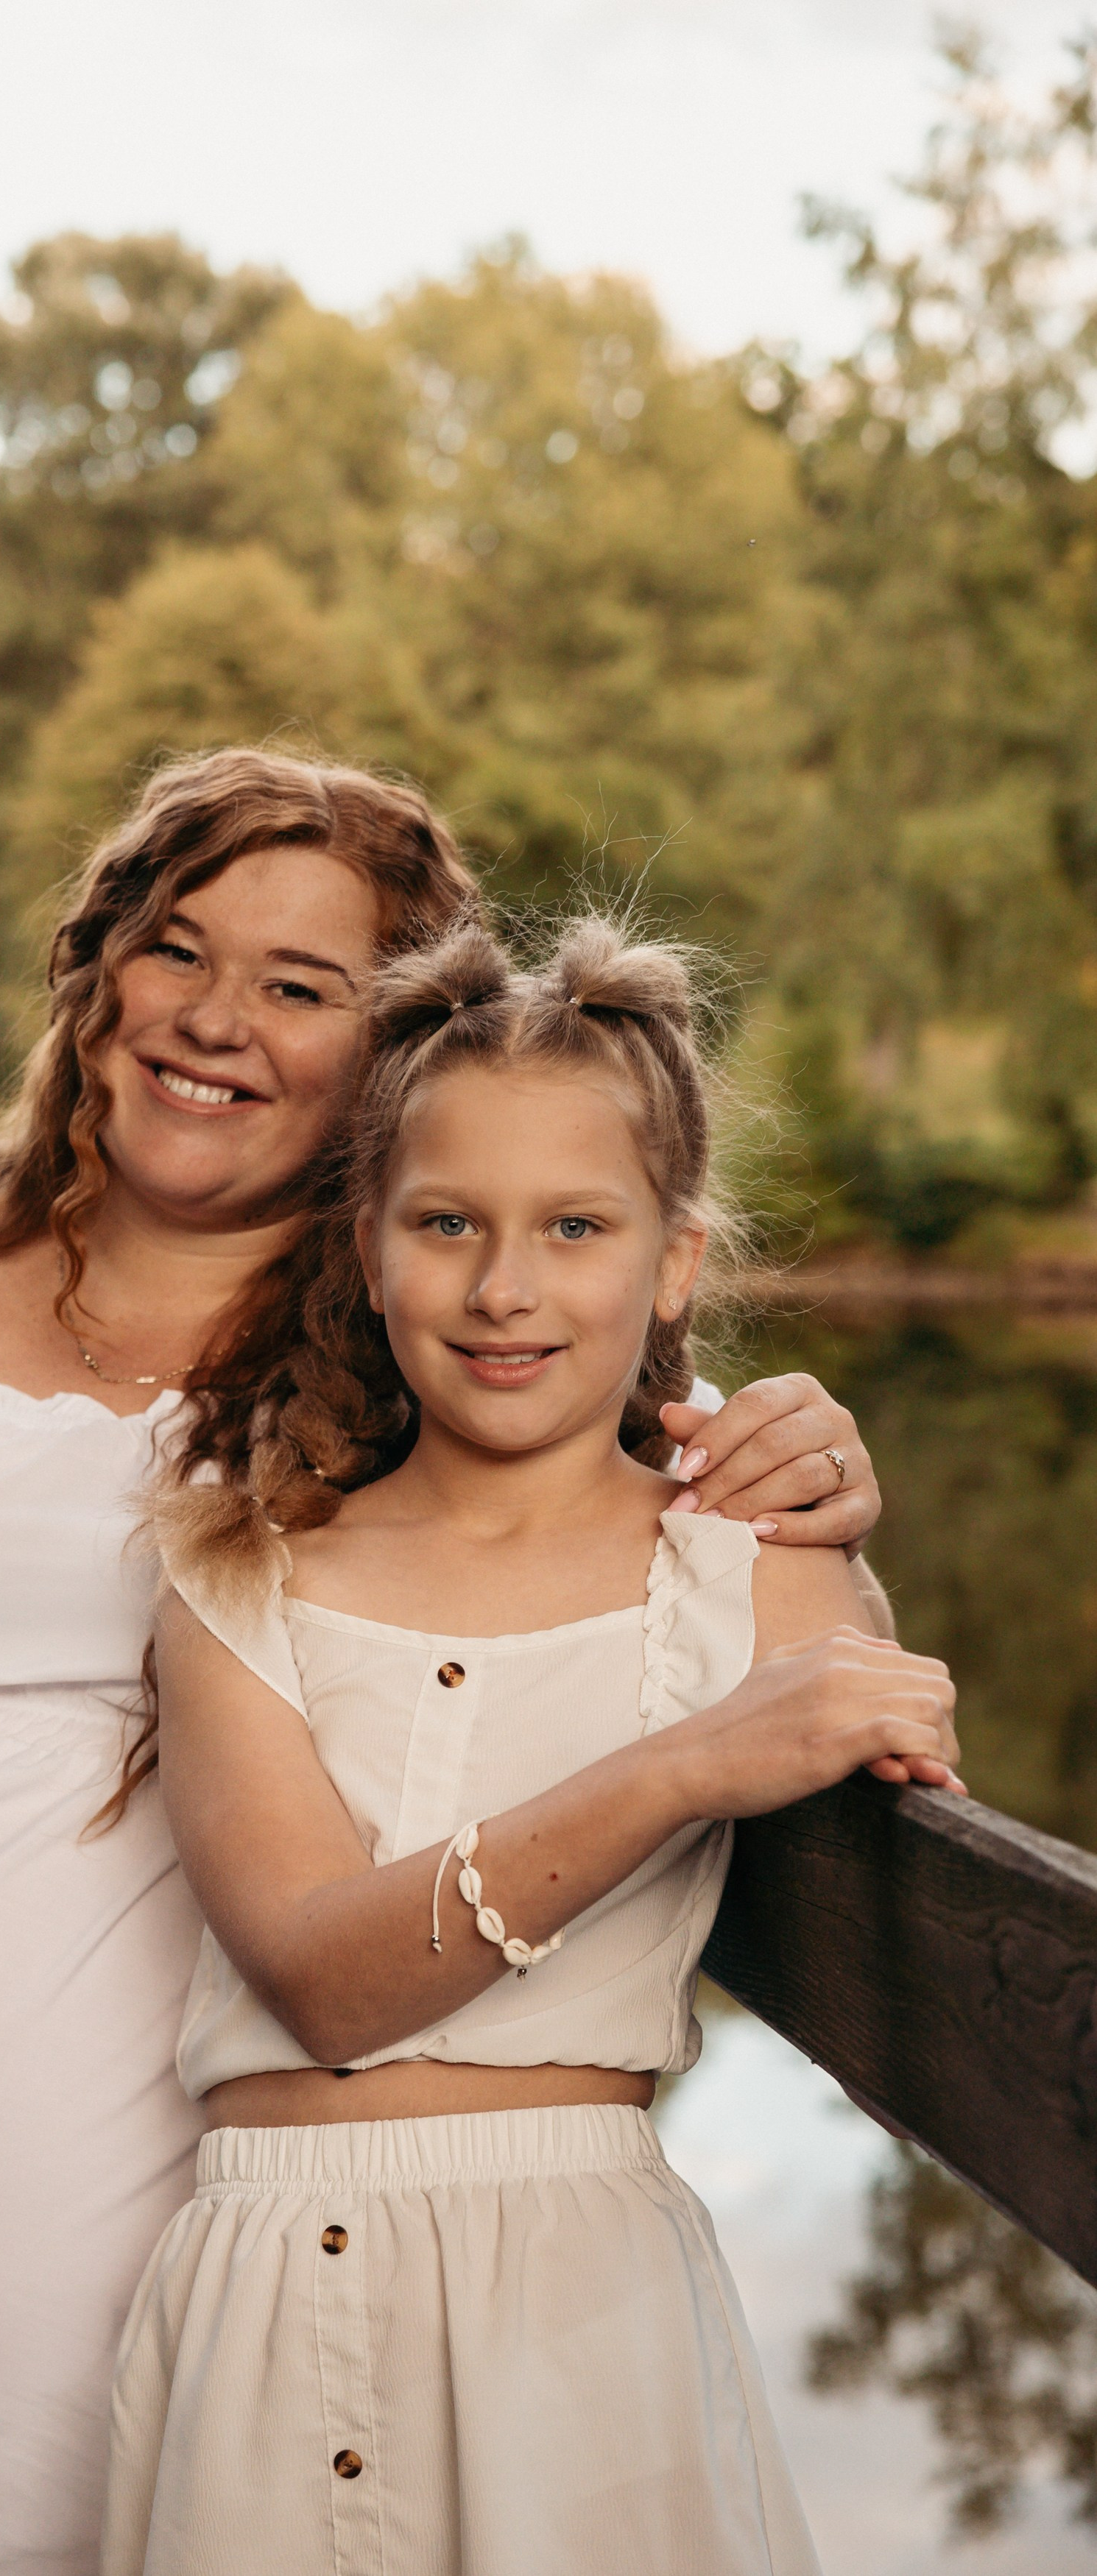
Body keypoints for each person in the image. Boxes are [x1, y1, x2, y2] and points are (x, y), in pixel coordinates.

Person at [0, 754, 887, 2576]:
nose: (215, 1018)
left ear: (390, 1055)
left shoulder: (415, 1340)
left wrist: (812, 1461)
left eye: (302, 985)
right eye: (179, 948)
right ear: (99, 974)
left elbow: (643, 1473)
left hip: (198, 2254)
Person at [102, 913, 960, 2576]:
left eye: (577, 1226)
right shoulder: (235, 1565)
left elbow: (907, 1771)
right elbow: (321, 1977)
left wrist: (845, 1551)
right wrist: (687, 1765)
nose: (506, 1288)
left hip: (577, 2314)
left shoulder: (751, 1565)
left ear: (676, 1261)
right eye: (447, 1223)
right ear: (365, 1242)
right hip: (260, 2309)